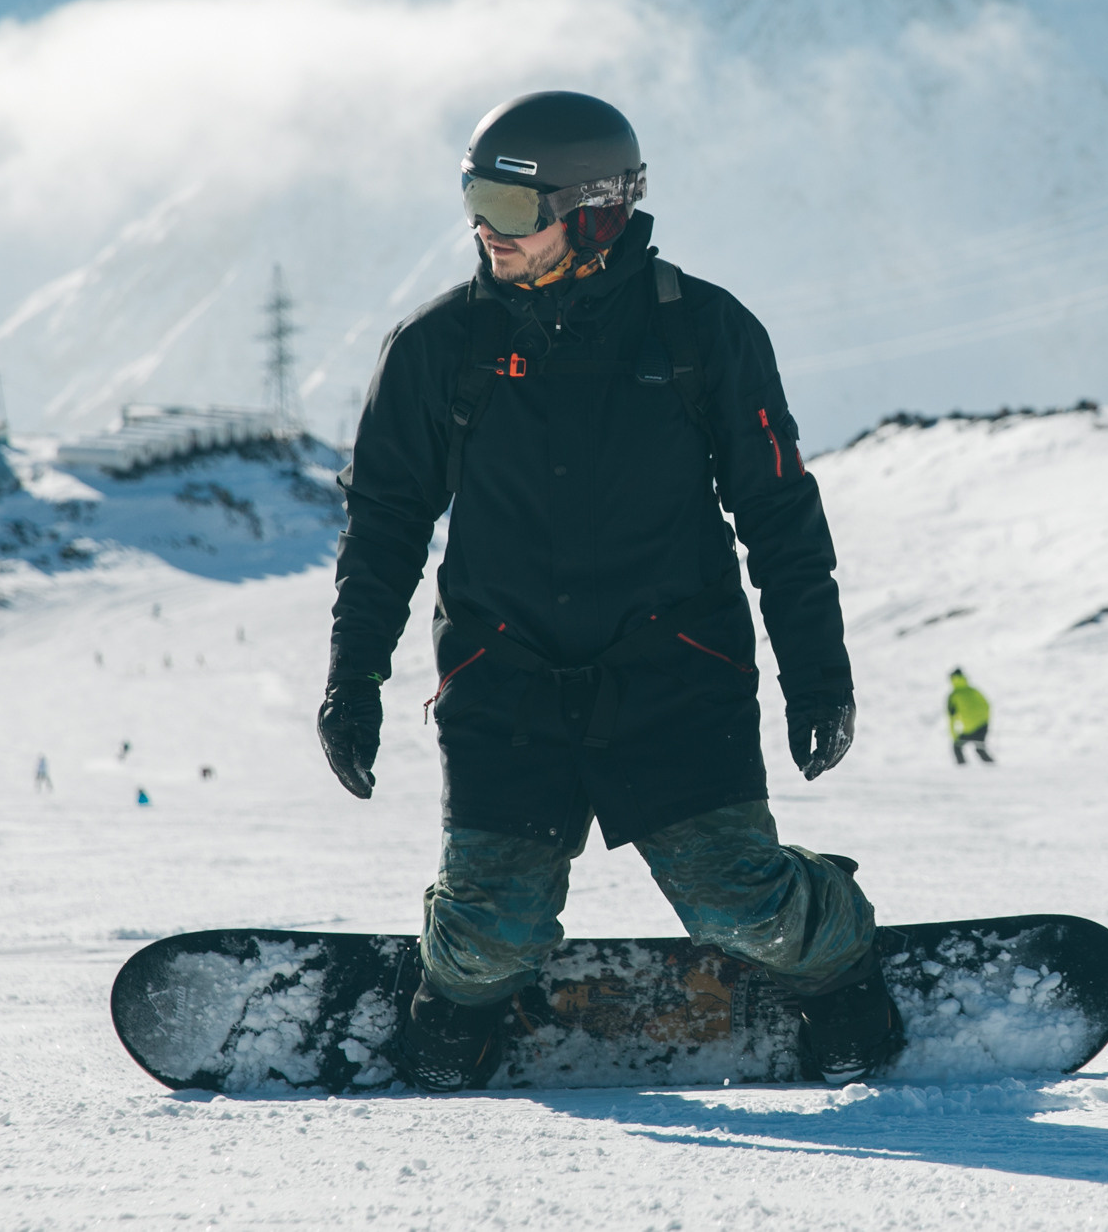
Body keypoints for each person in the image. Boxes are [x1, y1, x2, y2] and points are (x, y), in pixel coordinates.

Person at [317, 91, 896, 1091]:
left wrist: (818, 676)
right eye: (474, 197)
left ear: (594, 212)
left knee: (739, 906)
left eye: (508, 203)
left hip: (677, 667)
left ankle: (837, 955)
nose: (483, 229)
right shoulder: (435, 348)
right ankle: (457, 987)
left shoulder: (703, 332)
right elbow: (383, 531)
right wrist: (353, 679)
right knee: (489, 941)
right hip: (505, 677)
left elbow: (781, 520)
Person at [945, 669, 994, 765]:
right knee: (980, 748)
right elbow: (987, 705)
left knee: (957, 746)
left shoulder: (953, 696)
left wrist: (954, 736)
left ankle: (963, 771)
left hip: (969, 729)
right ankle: (994, 768)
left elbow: (951, 717)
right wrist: (985, 722)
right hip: (982, 726)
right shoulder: (974, 690)